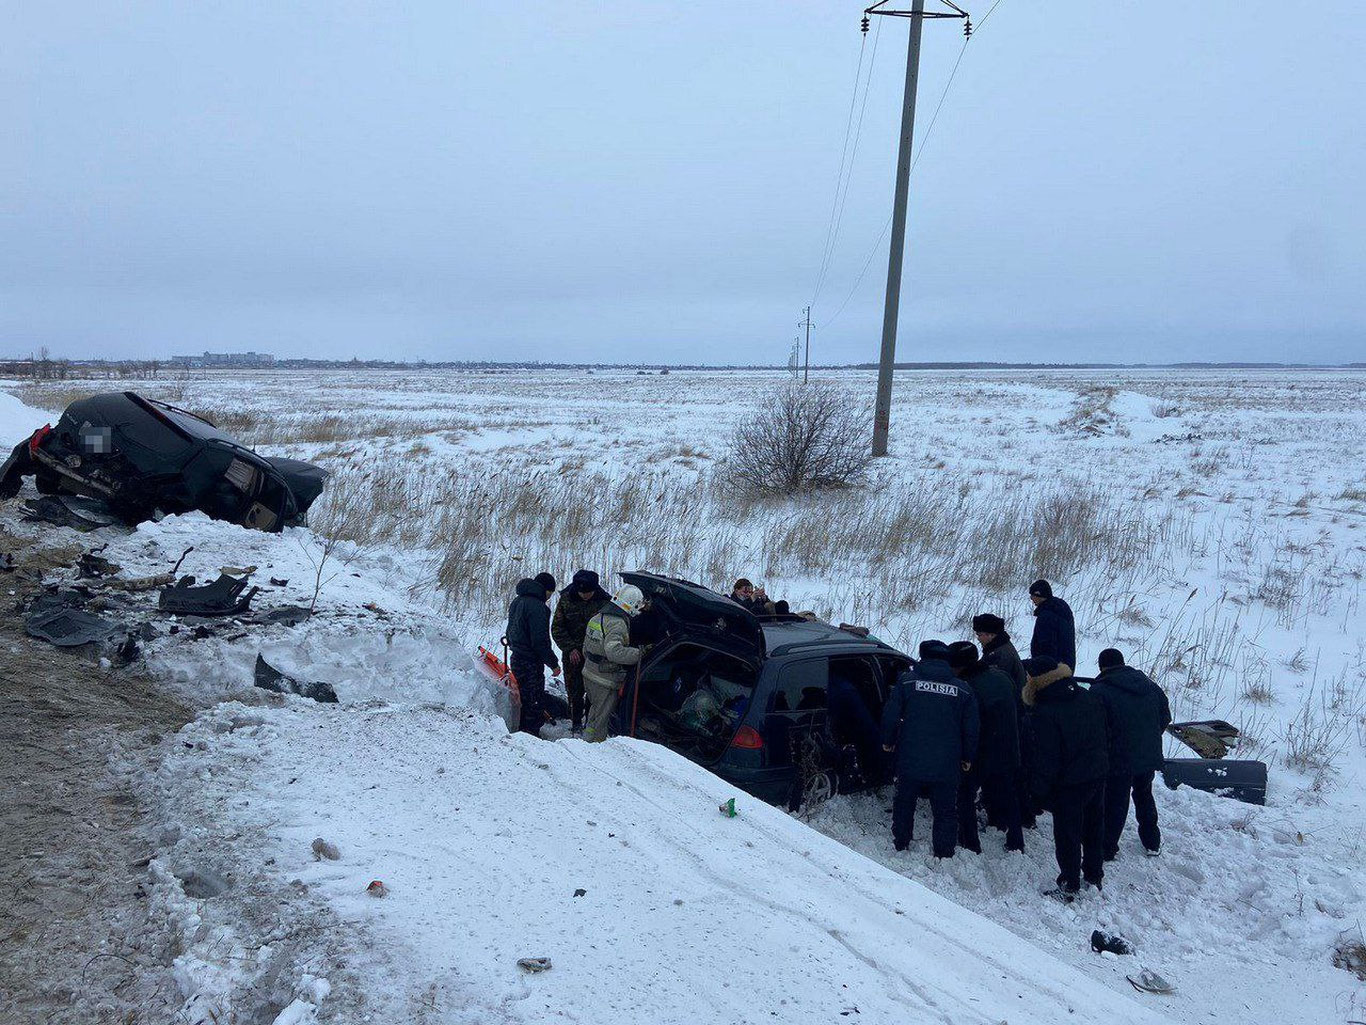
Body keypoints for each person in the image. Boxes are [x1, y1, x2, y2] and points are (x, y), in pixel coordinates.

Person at [880, 641, 980, 859]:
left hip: (910, 757)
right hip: (947, 762)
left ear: (922, 657)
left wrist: (888, 741)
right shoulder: (963, 689)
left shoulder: (907, 682)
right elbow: (971, 728)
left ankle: (901, 841)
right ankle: (944, 852)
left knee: (905, 801)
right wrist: (967, 756)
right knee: (945, 809)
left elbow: (891, 715)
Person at [1022, 656, 1109, 901]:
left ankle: (1069, 882)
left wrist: (1037, 792)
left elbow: (1046, 757)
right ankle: (1094, 875)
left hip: (1069, 782)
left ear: (1037, 680)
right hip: (1097, 772)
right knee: (1093, 826)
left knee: (1068, 833)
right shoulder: (1087, 696)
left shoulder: (1045, 710)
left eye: (1029, 676)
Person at [1091, 648, 1172, 859]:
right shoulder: (1149, 686)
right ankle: (1152, 840)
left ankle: (1107, 847)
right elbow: (1165, 715)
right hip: (1147, 754)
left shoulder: (1100, 691)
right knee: (1144, 794)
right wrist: (1150, 738)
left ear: (1101, 666)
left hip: (1118, 758)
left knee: (1115, 803)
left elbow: (1096, 728)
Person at [948, 641, 1023, 853]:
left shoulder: (966, 687)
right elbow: (1020, 710)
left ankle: (970, 843)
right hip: (1009, 747)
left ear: (960, 666)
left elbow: (966, 725)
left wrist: (964, 754)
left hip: (981, 751)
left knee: (965, 795)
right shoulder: (1002, 677)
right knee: (1009, 794)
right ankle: (1016, 840)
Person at [974, 612, 1034, 829]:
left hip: (1006, 720)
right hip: (1014, 716)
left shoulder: (998, 656)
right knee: (1013, 772)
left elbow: (992, 688)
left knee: (1002, 773)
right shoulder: (1001, 648)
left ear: (990, 634)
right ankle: (1024, 815)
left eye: (980, 634)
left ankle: (1003, 818)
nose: (978, 637)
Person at [581, 584, 648, 743]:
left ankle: (586, 740)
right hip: (603, 679)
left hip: (589, 673)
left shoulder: (597, 617)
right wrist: (640, 653)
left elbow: (585, 648)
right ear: (632, 605)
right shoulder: (617, 623)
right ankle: (594, 748)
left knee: (595, 711)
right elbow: (614, 652)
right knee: (602, 718)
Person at [551, 569, 611, 733]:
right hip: (573, 654)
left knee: (594, 690)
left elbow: (611, 629)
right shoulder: (566, 599)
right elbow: (557, 628)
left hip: (596, 655)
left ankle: (590, 722)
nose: (585, 596)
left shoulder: (605, 602)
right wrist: (570, 648)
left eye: (589, 592)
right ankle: (576, 722)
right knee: (574, 690)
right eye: (582, 592)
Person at [505, 572, 561, 737]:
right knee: (533, 701)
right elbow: (540, 641)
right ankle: (530, 736)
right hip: (530, 661)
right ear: (546, 590)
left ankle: (520, 728)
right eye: (550, 594)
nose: (549, 598)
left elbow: (510, 630)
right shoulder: (538, 607)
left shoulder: (517, 601)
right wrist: (553, 663)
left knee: (521, 697)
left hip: (516, 656)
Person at [1028, 580, 1076, 669]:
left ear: (1039, 595)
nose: (1031, 598)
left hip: (1051, 669)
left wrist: (1038, 665)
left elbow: (1046, 646)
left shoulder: (1046, 616)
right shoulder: (1061, 607)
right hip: (1066, 665)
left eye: (1032, 595)